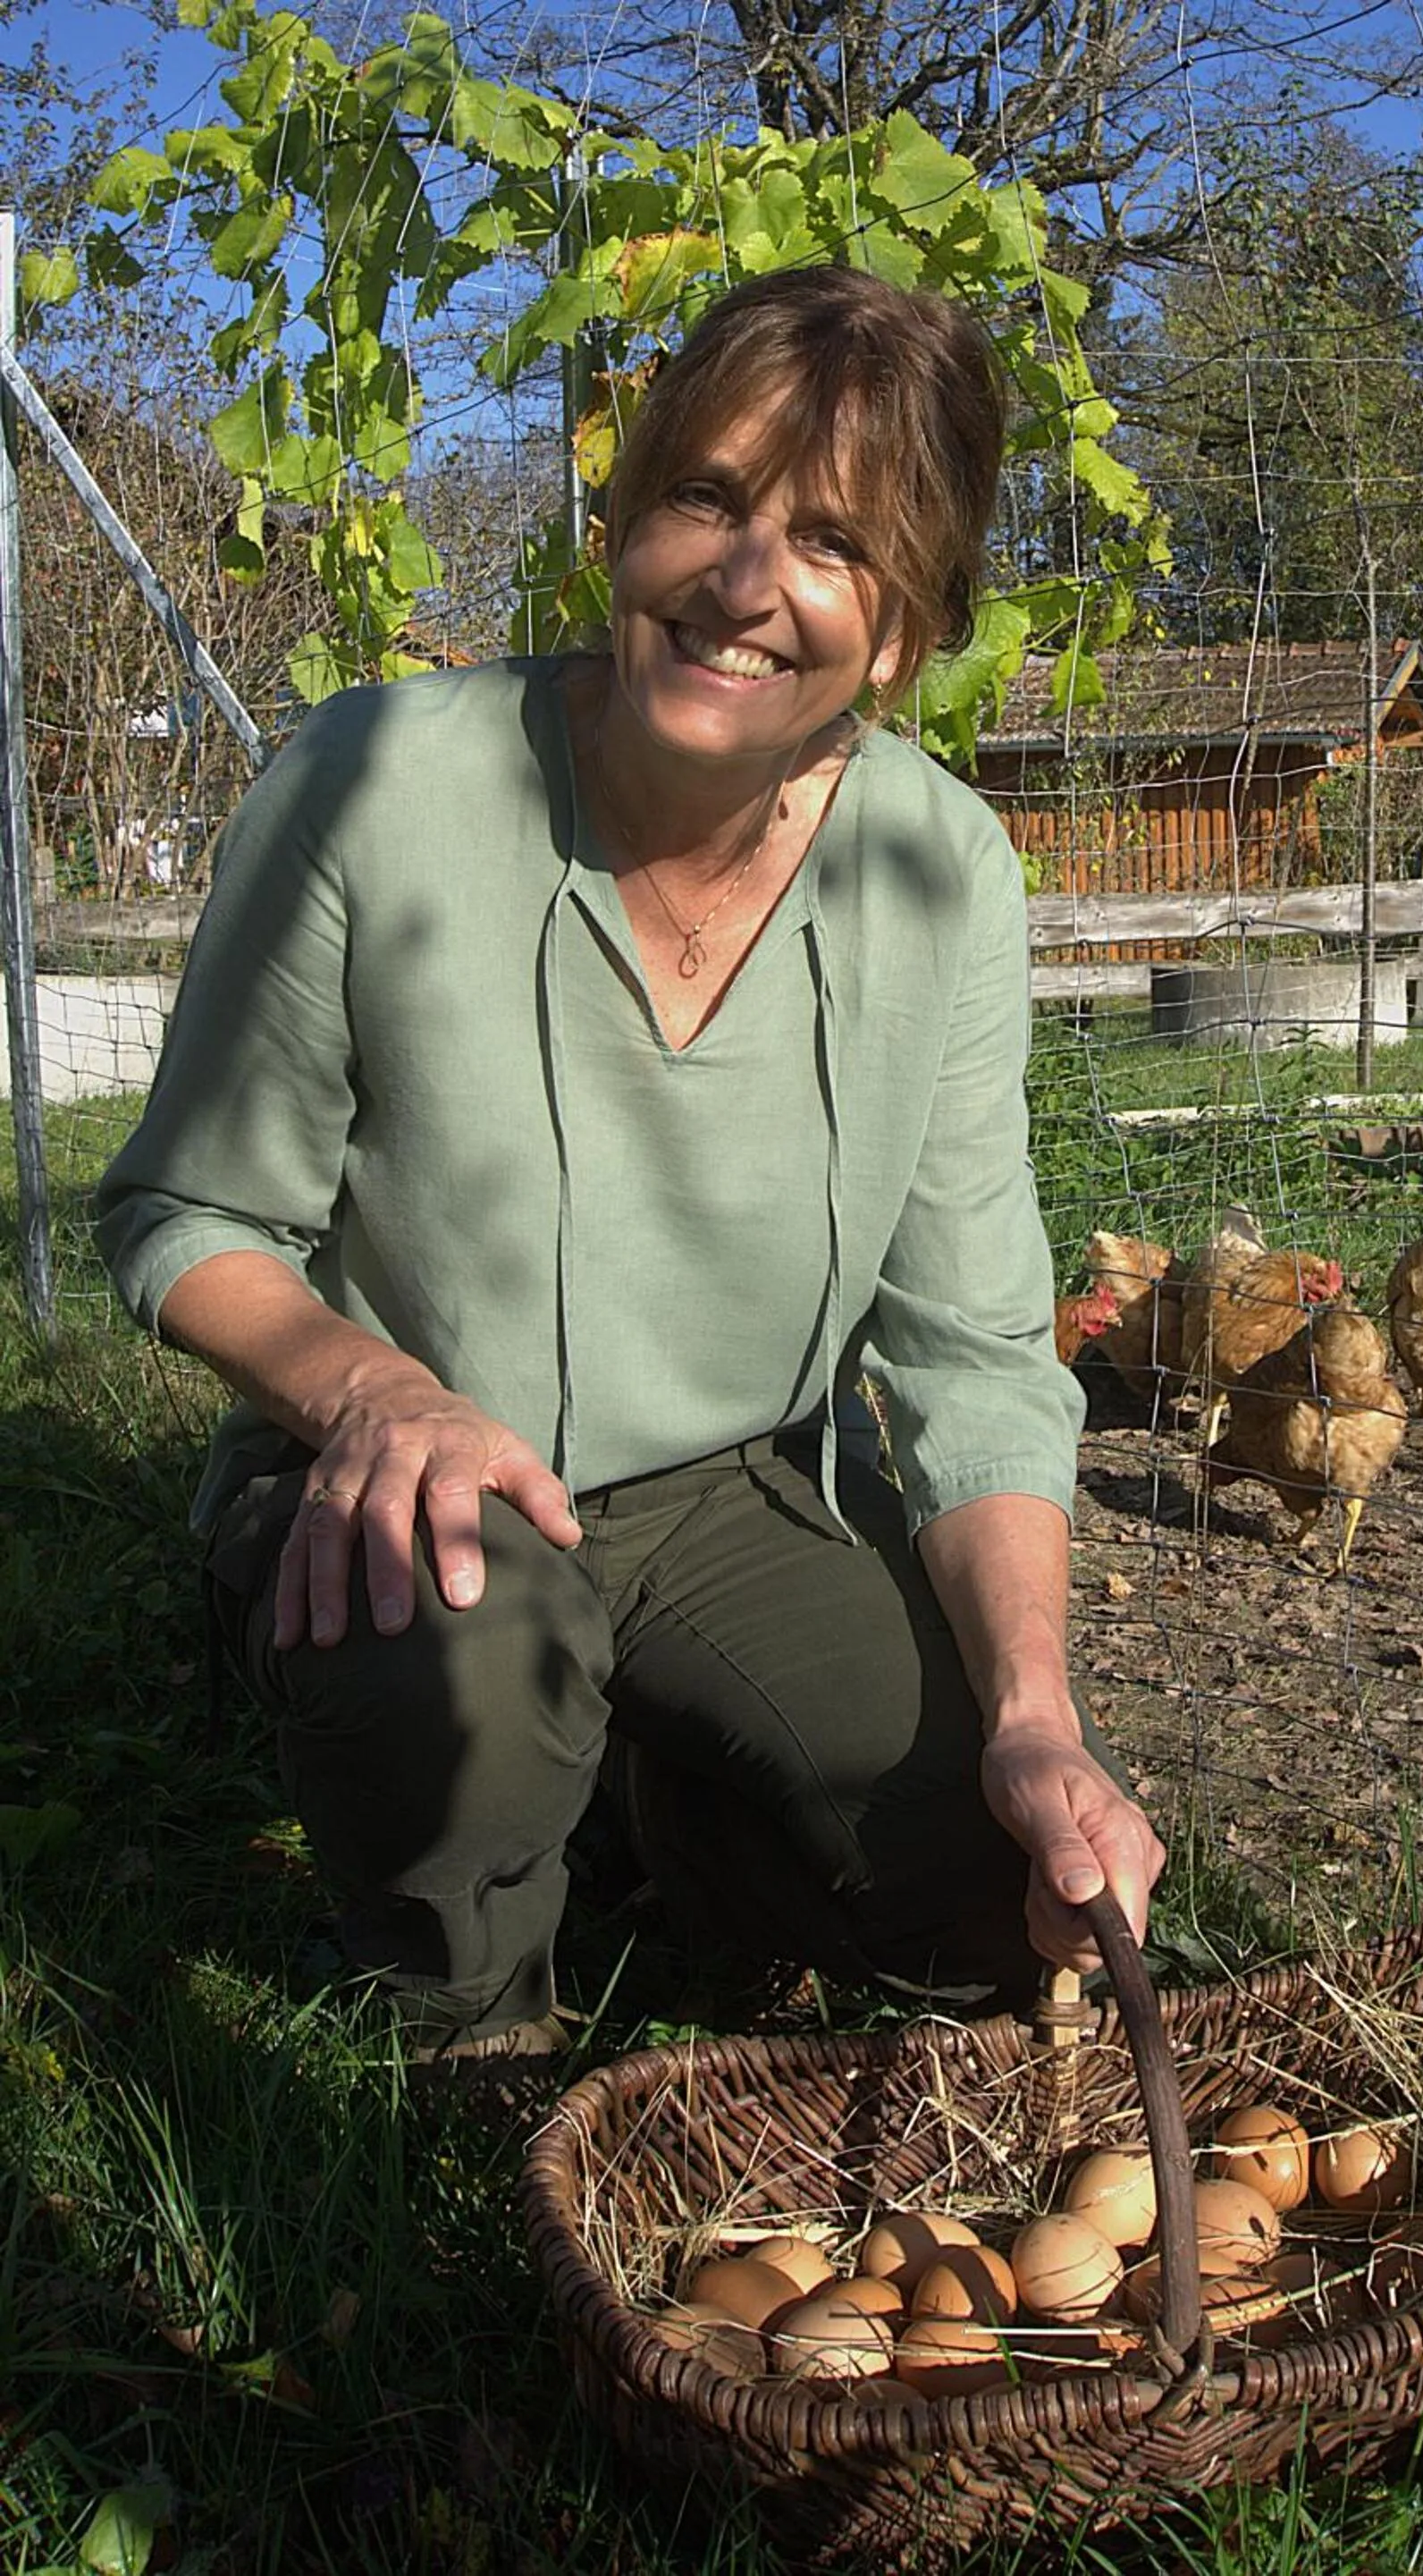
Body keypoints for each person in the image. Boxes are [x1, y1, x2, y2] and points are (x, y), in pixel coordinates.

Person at [96, 264, 1165, 2061]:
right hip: (404, 1469)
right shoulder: (382, 785)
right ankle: (470, 2047)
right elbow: (187, 1212)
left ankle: (680, 1830)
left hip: (735, 1488)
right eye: (706, 497)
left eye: (833, 541)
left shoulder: (943, 875)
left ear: (903, 631)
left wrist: (1039, 1718)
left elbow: (977, 1353)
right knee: (464, 1651)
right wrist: (371, 1391)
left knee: (998, 1890)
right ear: (622, 527)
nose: (746, 583)